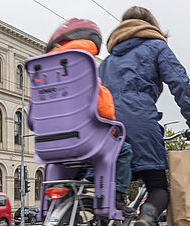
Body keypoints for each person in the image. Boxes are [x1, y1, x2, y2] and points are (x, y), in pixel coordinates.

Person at [99, 6, 190, 226]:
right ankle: (147, 219)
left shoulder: (108, 61)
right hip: (138, 122)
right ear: (151, 26)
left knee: (112, 192)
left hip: (104, 127)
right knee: (158, 185)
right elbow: (180, 83)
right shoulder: (156, 46)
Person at [45, 18, 133, 213]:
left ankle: (66, 194)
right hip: (83, 138)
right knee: (123, 150)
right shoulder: (83, 62)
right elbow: (104, 109)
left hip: (49, 142)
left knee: (72, 160)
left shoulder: (44, 68)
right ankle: (117, 197)